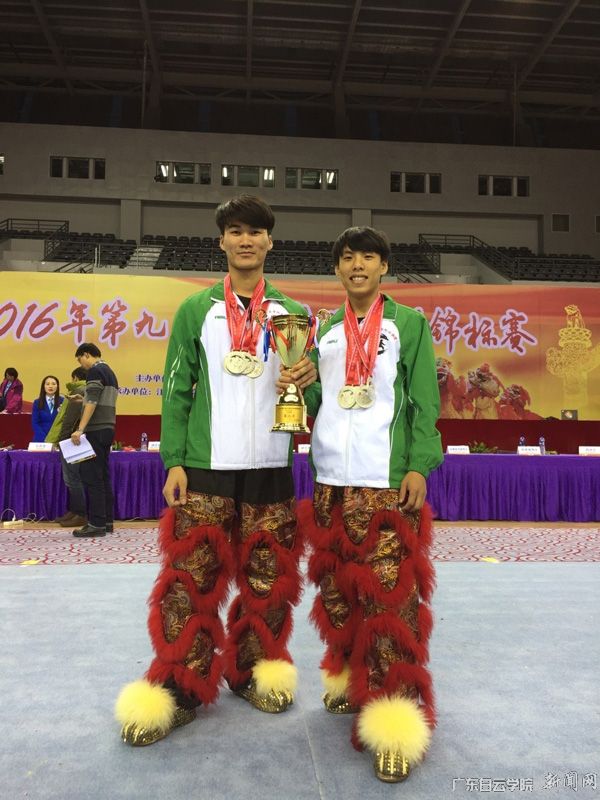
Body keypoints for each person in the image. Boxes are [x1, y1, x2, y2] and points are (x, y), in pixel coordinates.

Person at [115, 194, 316, 746]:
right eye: (236, 231)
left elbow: (313, 397)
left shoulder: (293, 314)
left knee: (267, 579)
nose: (246, 240)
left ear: (270, 242)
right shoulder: (195, 310)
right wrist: (174, 460)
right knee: (191, 580)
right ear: (222, 241)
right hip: (206, 466)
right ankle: (181, 684)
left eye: (255, 231)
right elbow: (177, 390)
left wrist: (308, 380)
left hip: (271, 463)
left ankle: (252, 671)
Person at [297, 226, 443, 783]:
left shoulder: (409, 324)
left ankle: (396, 720)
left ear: (384, 267)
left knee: (390, 602)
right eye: (347, 257)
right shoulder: (325, 330)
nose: (357, 265)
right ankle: (354, 678)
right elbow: (320, 400)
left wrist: (418, 465)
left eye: (368, 257)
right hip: (331, 482)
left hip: (385, 483)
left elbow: (423, 403)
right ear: (337, 269)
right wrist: (297, 382)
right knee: (338, 594)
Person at [69, 343, 118, 538]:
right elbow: (97, 398)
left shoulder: (95, 371)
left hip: (95, 430)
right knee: (103, 476)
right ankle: (106, 521)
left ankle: (96, 524)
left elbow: (92, 401)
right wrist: (81, 399)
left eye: (80, 359)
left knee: (92, 476)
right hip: (108, 428)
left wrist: (80, 429)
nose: (81, 364)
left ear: (86, 354)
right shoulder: (110, 371)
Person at [46, 366, 88, 527]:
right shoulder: (87, 391)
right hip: (77, 439)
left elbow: (68, 420)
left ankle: (80, 514)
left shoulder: (78, 391)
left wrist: (62, 440)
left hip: (72, 440)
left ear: (75, 378)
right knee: (72, 479)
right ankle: (74, 511)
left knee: (73, 479)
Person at [31, 375, 63, 441]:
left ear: (57, 386)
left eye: (53, 384)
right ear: (43, 386)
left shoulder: (63, 401)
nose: (50, 386)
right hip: (41, 438)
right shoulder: (37, 402)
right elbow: (35, 422)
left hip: (58, 438)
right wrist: (44, 438)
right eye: (47, 384)